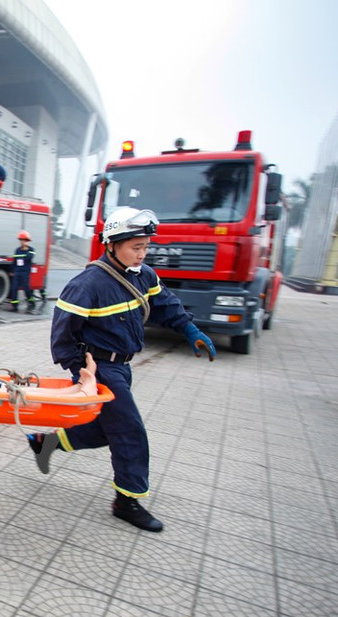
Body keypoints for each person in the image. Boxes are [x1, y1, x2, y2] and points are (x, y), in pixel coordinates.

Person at [29, 207, 216, 532]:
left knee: (107, 429)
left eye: (145, 247)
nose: (142, 254)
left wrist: (190, 330)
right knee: (130, 432)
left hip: (123, 367)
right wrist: (81, 371)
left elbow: (165, 304)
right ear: (112, 244)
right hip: (99, 369)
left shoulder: (142, 276)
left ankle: (47, 444)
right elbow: (62, 336)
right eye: (135, 247)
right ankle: (126, 501)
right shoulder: (87, 284)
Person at [8, 230, 35, 313]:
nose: (22, 242)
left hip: (25, 272)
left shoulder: (31, 250)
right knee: (14, 288)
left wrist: (25, 252)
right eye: (21, 240)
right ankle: (14, 305)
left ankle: (31, 300)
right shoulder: (17, 250)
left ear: (27, 241)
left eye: (23, 240)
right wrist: (11, 271)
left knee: (26, 288)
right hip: (17, 271)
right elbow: (14, 261)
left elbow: (29, 258)